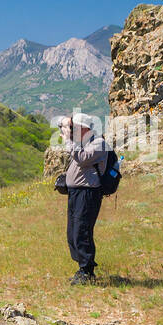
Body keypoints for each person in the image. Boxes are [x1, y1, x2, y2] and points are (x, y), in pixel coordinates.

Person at [62, 112, 110, 284]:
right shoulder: (81, 144)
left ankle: (87, 272)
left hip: (88, 193)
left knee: (82, 231)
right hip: (76, 193)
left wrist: (68, 140)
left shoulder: (99, 144)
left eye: (75, 127)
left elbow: (82, 159)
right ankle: (82, 268)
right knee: (72, 232)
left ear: (85, 128)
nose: (72, 131)